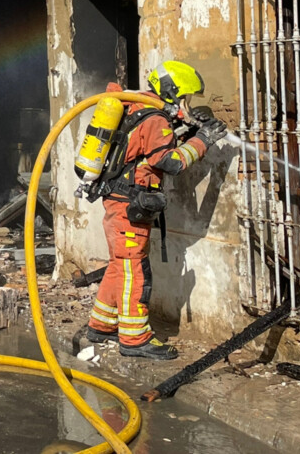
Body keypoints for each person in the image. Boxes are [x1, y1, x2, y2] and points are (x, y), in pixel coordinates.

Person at [84, 60, 228, 360]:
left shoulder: (139, 108)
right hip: (129, 204)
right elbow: (170, 162)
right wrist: (203, 140)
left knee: (119, 264)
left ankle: (101, 325)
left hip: (118, 200)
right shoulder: (155, 119)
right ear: (174, 93)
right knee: (134, 269)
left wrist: (187, 129)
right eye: (186, 98)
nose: (187, 104)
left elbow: (148, 150)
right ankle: (135, 339)